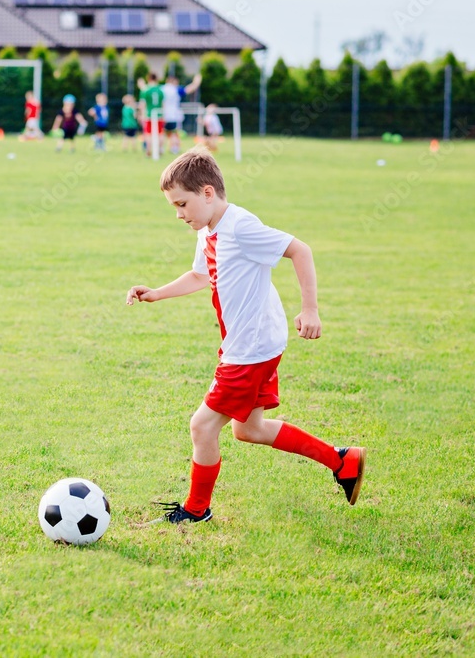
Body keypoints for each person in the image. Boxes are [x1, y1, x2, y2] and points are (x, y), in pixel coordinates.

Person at [126, 147, 366, 524]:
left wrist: (310, 309)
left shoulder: (240, 226)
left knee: (202, 426)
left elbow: (300, 250)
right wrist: (156, 292)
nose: (178, 214)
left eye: (182, 204)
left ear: (207, 193)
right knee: (249, 429)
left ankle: (196, 509)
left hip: (250, 349)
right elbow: (200, 276)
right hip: (253, 343)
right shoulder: (207, 229)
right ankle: (343, 461)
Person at [161, 73, 202, 154]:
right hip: (173, 115)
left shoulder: (161, 89)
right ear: (174, 82)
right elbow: (190, 89)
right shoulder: (175, 89)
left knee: (162, 133)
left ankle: (160, 149)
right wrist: (196, 81)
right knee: (174, 133)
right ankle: (174, 148)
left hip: (162, 114)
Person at [138, 72, 165, 157]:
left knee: (148, 134)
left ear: (148, 79)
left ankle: (148, 150)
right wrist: (163, 115)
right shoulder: (160, 90)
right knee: (160, 133)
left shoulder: (145, 89)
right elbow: (163, 104)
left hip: (149, 115)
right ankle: (160, 149)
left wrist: (142, 115)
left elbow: (142, 104)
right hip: (159, 115)